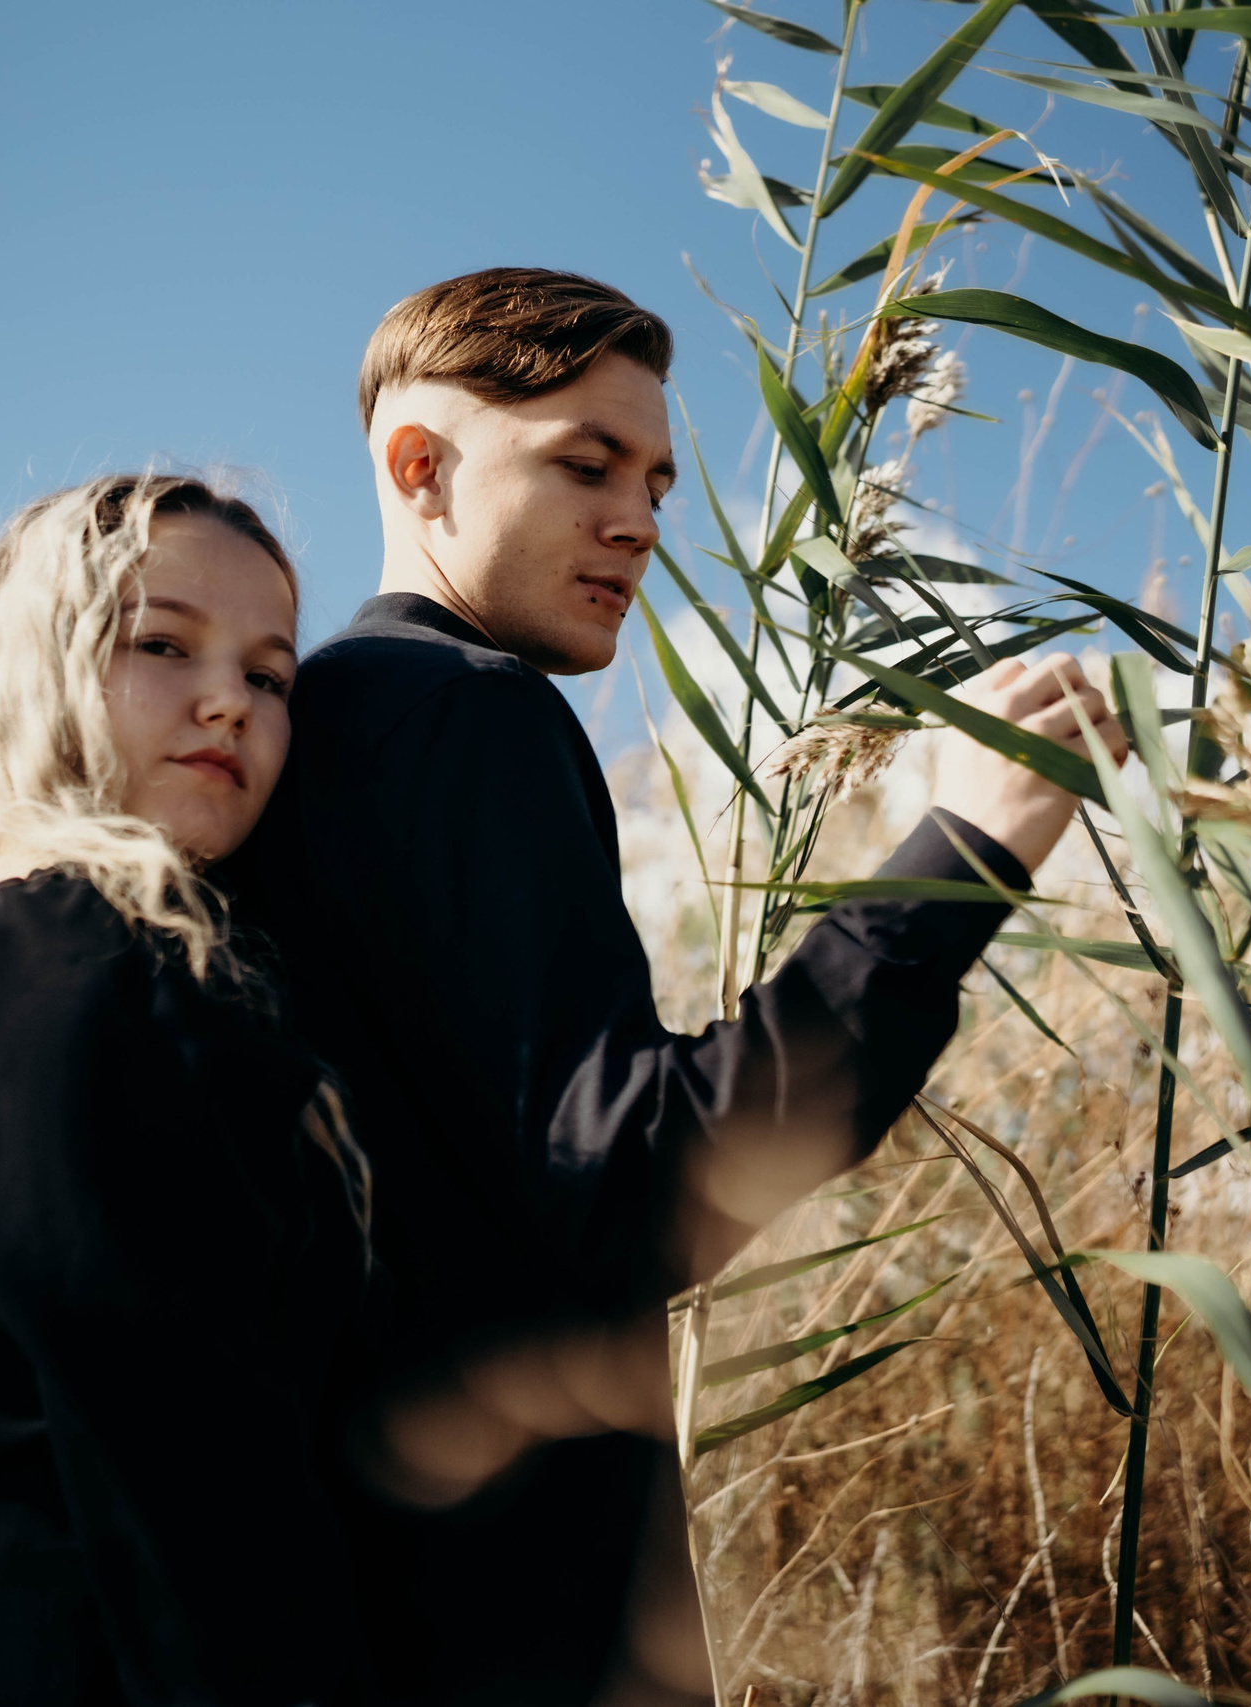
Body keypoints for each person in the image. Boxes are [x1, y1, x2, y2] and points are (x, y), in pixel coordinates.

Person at [229, 268, 1127, 1706]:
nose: (641, 521)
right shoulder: (463, 710)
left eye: (654, 477)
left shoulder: (317, 737)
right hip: (503, 1617)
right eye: (585, 464)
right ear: (420, 467)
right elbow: (634, 1178)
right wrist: (960, 860)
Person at [0, 475, 373, 1705]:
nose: (230, 700)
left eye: (270, 676)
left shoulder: (18, 957)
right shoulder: (54, 954)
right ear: (33, 672)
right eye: (160, 644)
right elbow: (180, 1465)